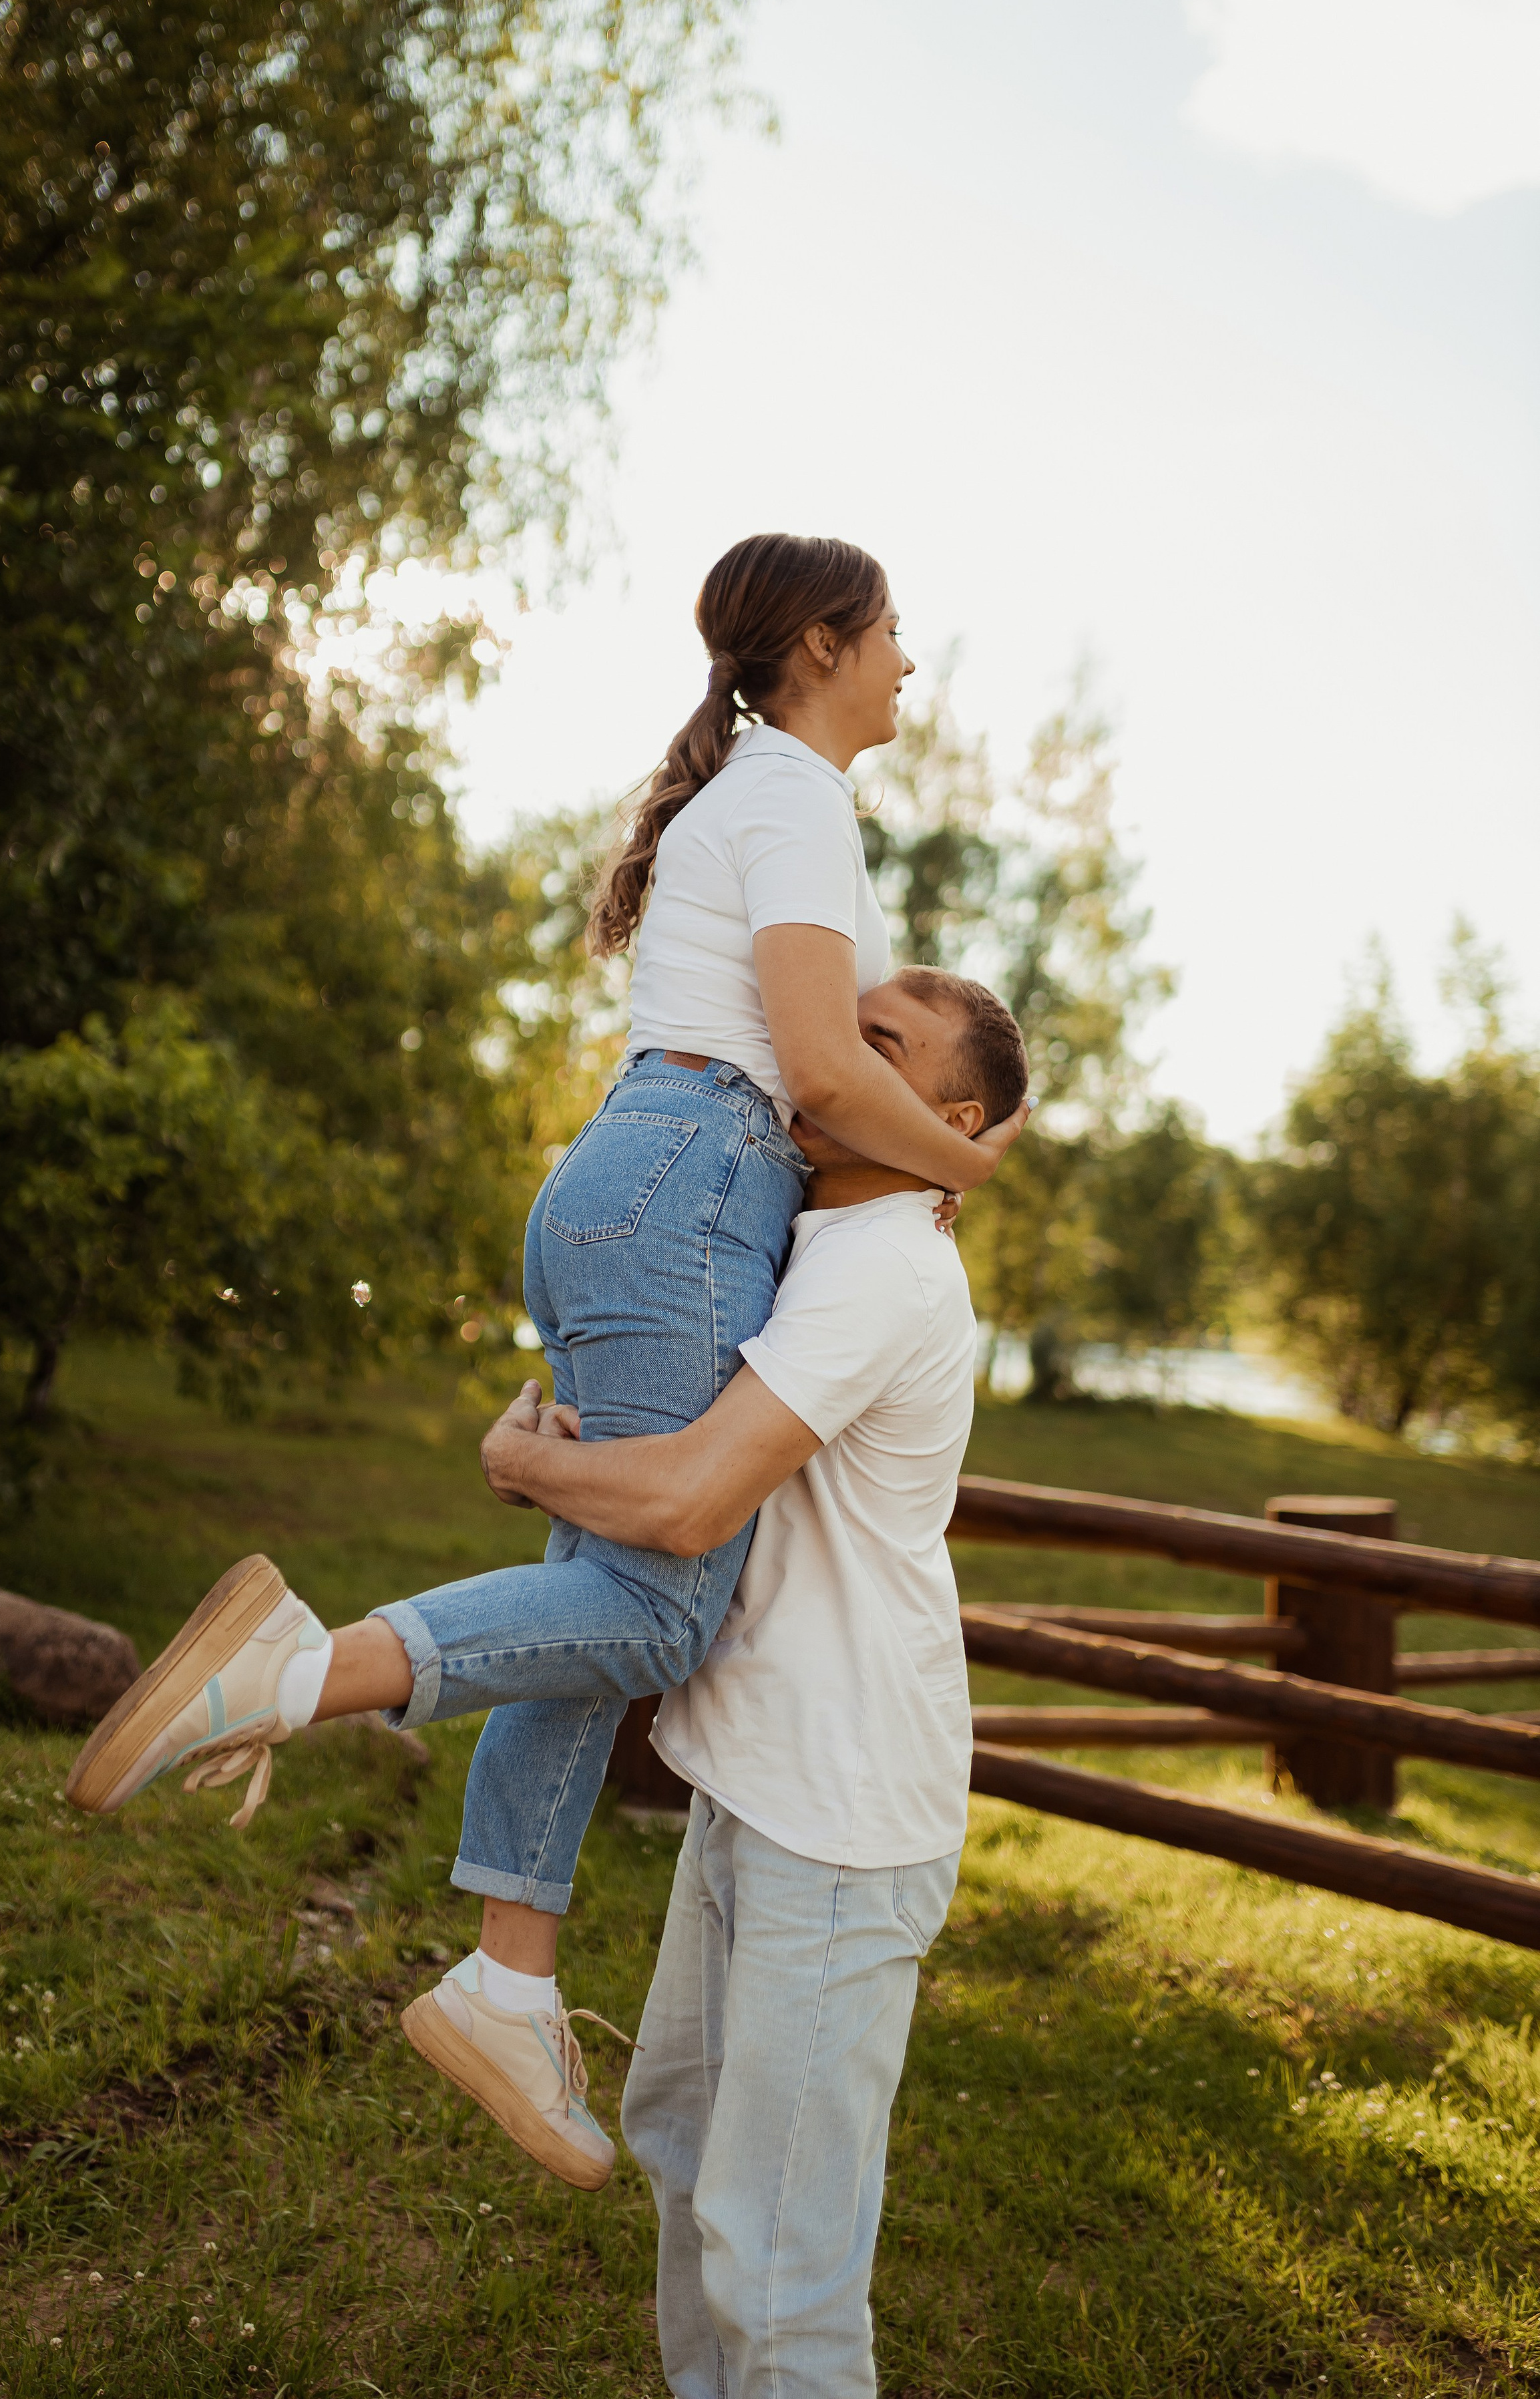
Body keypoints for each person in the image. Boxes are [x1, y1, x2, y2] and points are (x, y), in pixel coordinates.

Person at [65, 535, 1028, 2189]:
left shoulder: (757, 789)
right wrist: (971, 1163)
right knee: (657, 1605)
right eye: (890, 635)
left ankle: (510, 1985)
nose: (908, 665)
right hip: (691, 1184)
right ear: (818, 643)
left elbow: (794, 1059)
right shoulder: (797, 793)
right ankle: (288, 1674)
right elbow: (808, 1058)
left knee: (597, 1598)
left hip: (640, 1178)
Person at [476, 966, 1025, 2399]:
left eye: (877, 1044)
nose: (825, 1046)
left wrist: (530, 1464)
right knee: (678, 2151)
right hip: (754, 1777)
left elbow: (684, 1505)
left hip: (840, 1812)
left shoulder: (889, 1266)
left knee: (779, 2263)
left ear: (947, 1117)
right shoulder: (810, 1223)